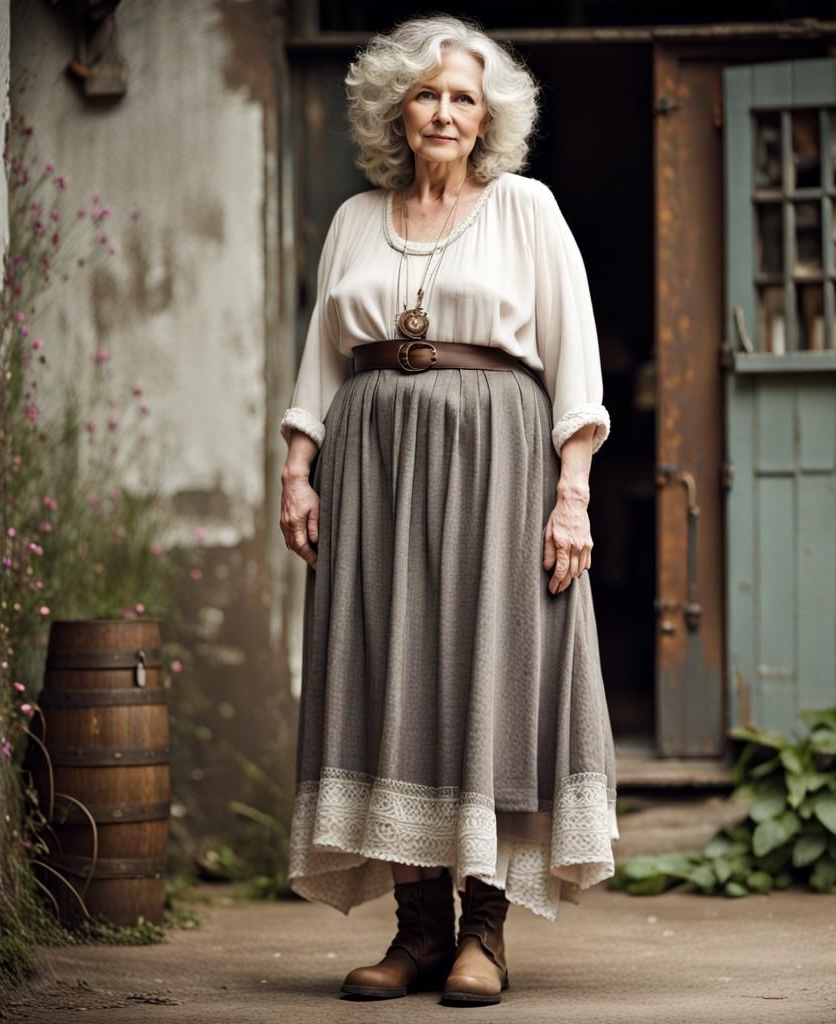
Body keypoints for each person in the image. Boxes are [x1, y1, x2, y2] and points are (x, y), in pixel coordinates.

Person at [278, 14, 619, 1007]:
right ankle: (418, 930)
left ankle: (484, 933)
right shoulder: (355, 218)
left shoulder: (526, 208)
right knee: (389, 669)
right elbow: (322, 358)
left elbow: (576, 358)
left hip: (497, 461)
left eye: (462, 97)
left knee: (490, 669)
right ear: (396, 108)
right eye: (426, 93)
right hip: (373, 465)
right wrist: (298, 468)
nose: (443, 111)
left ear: (487, 117)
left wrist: (571, 495)